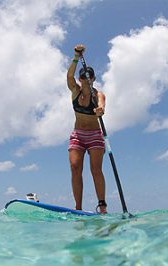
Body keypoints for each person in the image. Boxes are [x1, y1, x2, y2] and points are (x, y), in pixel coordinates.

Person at [67, 44, 107, 214]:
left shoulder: (98, 95)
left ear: (93, 79)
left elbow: (102, 106)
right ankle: (78, 208)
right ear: (80, 78)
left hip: (95, 135)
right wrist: (76, 57)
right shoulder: (75, 90)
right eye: (83, 77)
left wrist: (100, 110)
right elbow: (69, 75)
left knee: (95, 169)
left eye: (89, 77)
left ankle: (102, 206)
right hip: (78, 134)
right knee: (75, 167)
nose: (86, 79)